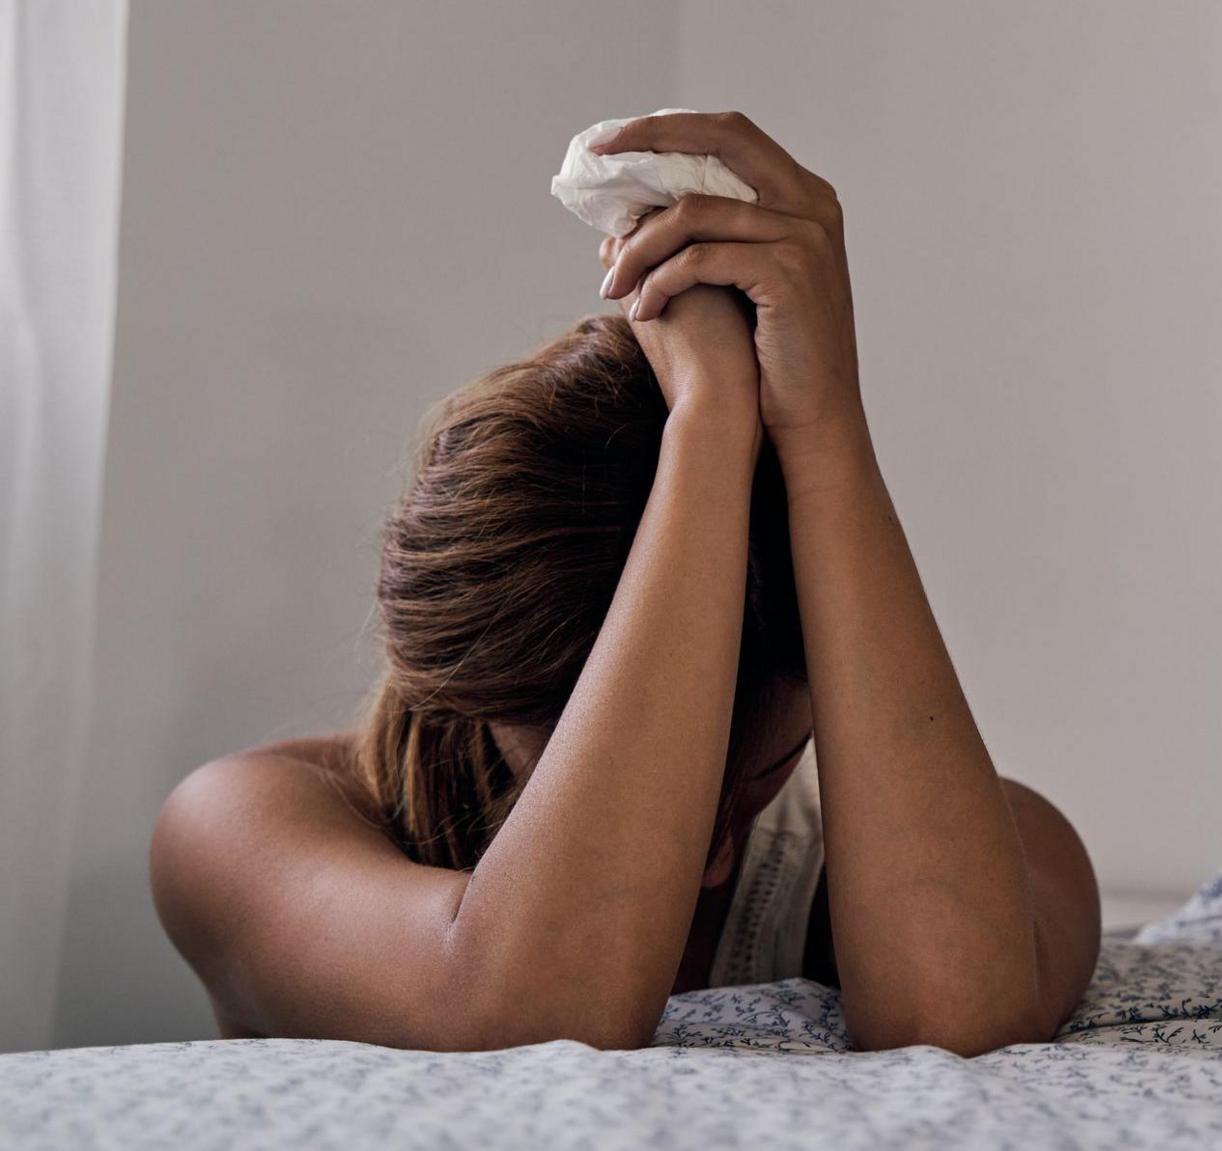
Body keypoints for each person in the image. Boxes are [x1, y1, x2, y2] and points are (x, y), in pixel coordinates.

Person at [148, 111, 1101, 1056]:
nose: (717, 856)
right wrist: (710, 421)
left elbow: (953, 1027)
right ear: (487, 693)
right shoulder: (240, 828)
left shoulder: (988, 851)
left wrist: (823, 431)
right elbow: (530, 1019)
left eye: (759, 776)